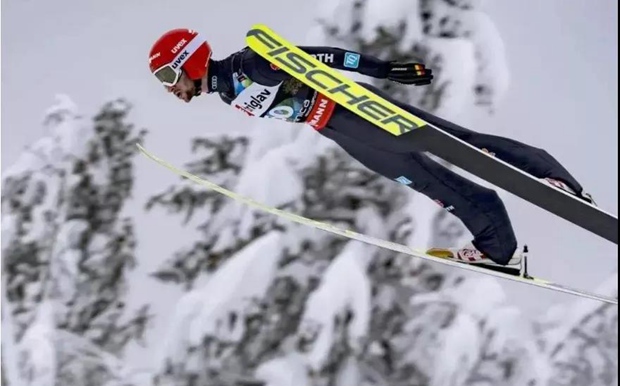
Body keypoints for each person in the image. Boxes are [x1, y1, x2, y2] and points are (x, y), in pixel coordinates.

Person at [147, 28, 595, 271]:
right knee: (430, 183)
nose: (170, 88)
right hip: (337, 130)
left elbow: (321, 57)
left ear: (189, 60)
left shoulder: (249, 63)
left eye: (169, 76)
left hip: (353, 108)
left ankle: (551, 176)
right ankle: (499, 246)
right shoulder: (228, 90)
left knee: (459, 143)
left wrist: (384, 70)